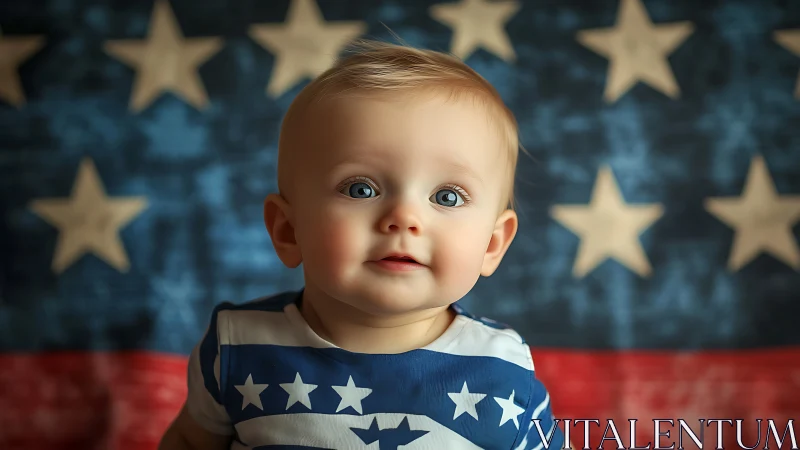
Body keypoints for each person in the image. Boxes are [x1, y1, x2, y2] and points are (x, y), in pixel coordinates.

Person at [159, 40, 566, 450]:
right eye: (360, 188)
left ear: (492, 244)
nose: (404, 218)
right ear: (287, 229)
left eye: (447, 197)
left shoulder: (503, 372)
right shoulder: (238, 349)